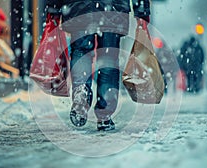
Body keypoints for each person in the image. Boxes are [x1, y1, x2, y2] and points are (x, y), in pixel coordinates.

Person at [45, 0, 151, 131]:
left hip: (79, 6)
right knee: (109, 58)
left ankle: (81, 93)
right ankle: (104, 115)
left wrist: (53, 8)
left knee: (81, 52)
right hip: (112, 8)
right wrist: (142, 11)